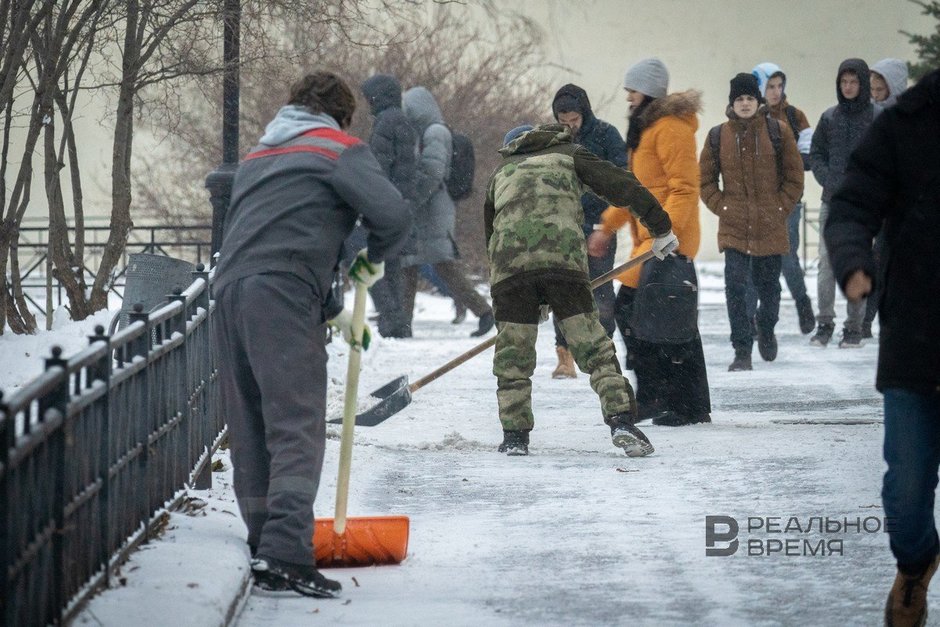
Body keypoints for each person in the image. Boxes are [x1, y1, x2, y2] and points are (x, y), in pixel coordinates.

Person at [212, 71, 411, 597]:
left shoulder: (259, 156)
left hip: (230, 293)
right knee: (296, 425)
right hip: (281, 293)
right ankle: (284, 554)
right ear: (342, 116)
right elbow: (393, 214)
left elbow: (272, 228)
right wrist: (372, 259)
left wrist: (327, 300)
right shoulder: (338, 148)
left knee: (251, 425)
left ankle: (264, 543)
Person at [824, 67, 940, 627]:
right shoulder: (906, 125)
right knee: (908, 489)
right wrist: (853, 262)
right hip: (917, 331)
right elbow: (852, 204)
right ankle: (916, 564)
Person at [486, 123, 677, 457]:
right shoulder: (568, 154)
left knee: (513, 355)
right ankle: (621, 421)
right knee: (594, 348)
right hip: (563, 267)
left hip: (510, 271)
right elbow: (622, 185)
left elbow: (492, 237)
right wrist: (659, 226)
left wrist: (517, 290)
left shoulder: (501, 173)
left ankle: (515, 436)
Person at [588, 57, 711, 425]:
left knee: (645, 315)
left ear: (650, 92)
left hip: (668, 242)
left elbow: (685, 189)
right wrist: (606, 225)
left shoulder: (671, 129)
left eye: (633, 90)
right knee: (666, 322)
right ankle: (672, 399)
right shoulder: (647, 130)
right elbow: (635, 191)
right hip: (654, 240)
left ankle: (668, 398)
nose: (628, 97)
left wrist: (665, 234)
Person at [699, 73, 804, 371]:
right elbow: (705, 180)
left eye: (749, 98)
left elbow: (794, 177)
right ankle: (742, 349)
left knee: (769, 287)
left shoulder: (777, 131)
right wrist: (723, 207)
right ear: (731, 104)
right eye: (739, 99)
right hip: (734, 227)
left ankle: (766, 327)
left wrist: (779, 207)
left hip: (770, 225)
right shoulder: (718, 135)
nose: (745, 104)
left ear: (757, 101)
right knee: (735, 287)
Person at [400, 86, 494, 337]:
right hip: (429, 208)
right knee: (409, 262)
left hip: (433, 209)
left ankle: (484, 312)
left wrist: (412, 199)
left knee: (442, 264)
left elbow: (432, 173)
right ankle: (403, 324)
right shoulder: (426, 132)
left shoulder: (435, 132)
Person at [549, 84, 627, 379]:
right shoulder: (551, 140)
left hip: (599, 226)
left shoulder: (606, 135)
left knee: (602, 291)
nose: (569, 127)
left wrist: (605, 212)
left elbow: (621, 174)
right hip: (564, 226)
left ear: (584, 113)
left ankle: (604, 353)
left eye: (574, 121)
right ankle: (564, 356)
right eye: (563, 122)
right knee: (564, 292)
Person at [809, 58, 881, 348]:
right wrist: (828, 179)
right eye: (844, 82)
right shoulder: (829, 118)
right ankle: (824, 323)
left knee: (858, 264)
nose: (848, 87)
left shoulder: (877, 117)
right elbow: (816, 154)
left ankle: (855, 326)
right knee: (827, 264)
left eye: (854, 82)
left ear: (862, 84)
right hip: (833, 202)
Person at [748, 62, 816, 335]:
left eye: (779, 86)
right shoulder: (748, 116)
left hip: (788, 201)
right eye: (770, 86)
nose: (775, 92)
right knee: (754, 259)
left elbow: (808, 159)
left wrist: (781, 161)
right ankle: (751, 319)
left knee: (787, 258)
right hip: (756, 202)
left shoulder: (795, 116)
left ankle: (802, 303)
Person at [360, 73, 417, 338]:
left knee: (369, 259)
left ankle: (391, 317)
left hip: (384, 202)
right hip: (400, 202)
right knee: (391, 264)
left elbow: (379, 167)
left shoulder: (385, 122)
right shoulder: (402, 120)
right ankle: (397, 322)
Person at [861, 58, 909, 339]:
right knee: (877, 261)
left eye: (881, 89)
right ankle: (867, 320)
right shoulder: (872, 116)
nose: (875, 94)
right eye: (873, 89)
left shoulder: (910, 116)